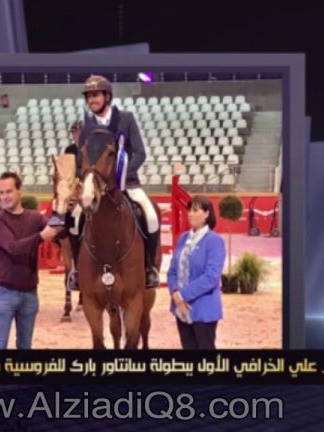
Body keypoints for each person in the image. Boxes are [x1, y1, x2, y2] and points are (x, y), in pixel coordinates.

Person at [67, 75, 161, 289]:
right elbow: (81, 160)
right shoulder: (87, 127)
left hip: (128, 183)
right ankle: (77, 270)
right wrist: (86, 180)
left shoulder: (126, 119)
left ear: (107, 96)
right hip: (97, 187)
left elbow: (140, 152)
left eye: (96, 95)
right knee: (74, 219)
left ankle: (149, 268)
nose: (92, 100)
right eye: (89, 97)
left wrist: (123, 174)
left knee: (151, 216)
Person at [0, 172, 63, 349]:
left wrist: (63, 208)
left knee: (25, 346)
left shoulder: (35, 218)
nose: (5, 197)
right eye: (1, 193)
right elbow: (13, 248)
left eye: (9, 191)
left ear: (19, 190)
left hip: (30, 294)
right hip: (4, 294)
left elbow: (58, 229)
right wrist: (41, 236)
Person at [166, 195, 226, 349]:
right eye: (189, 210)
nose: (190, 214)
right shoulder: (182, 238)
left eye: (195, 210)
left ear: (206, 214)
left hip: (203, 309)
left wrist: (182, 295)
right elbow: (172, 271)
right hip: (180, 309)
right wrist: (175, 293)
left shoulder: (214, 241)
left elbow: (211, 277)